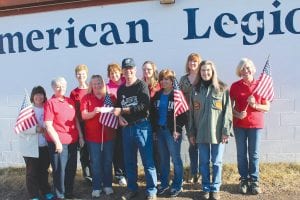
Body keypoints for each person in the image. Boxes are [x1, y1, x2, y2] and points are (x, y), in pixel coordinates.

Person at [113, 58, 157, 200]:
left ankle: (151, 190)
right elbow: (118, 109)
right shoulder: (121, 89)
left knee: (148, 161)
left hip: (142, 126)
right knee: (129, 162)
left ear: (135, 69)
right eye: (126, 69)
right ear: (123, 71)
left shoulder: (141, 85)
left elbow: (144, 106)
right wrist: (119, 117)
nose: (128, 71)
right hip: (127, 129)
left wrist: (124, 110)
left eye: (131, 68)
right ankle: (132, 188)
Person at [188, 60, 233, 200]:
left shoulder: (222, 89)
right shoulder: (194, 90)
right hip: (200, 133)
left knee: (217, 162)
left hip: (217, 133)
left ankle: (215, 188)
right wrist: (191, 133)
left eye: (208, 70)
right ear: (199, 72)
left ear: (212, 71)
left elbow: (228, 112)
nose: (205, 73)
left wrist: (226, 131)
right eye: (203, 70)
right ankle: (206, 188)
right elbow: (191, 114)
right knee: (204, 162)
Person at [230, 58, 270, 195]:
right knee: (241, 154)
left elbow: (267, 107)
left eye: (248, 68)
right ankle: (244, 180)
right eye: (243, 69)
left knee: (254, 154)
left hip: (256, 125)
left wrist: (255, 105)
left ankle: (254, 180)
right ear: (239, 71)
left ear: (252, 69)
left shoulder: (260, 85)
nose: (245, 71)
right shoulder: (235, 86)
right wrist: (236, 113)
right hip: (239, 125)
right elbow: (229, 107)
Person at [44, 77, 84, 199]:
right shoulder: (50, 103)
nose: (61, 88)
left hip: (73, 141)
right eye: (57, 86)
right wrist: (57, 142)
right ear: (53, 88)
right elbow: (48, 125)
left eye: (63, 85)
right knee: (59, 171)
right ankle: (59, 195)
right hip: (59, 144)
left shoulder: (70, 101)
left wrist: (81, 136)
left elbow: (75, 119)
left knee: (70, 169)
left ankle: (69, 193)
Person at [150, 69, 187, 197]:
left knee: (176, 159)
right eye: (162, 79)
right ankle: (165, 184)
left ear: (172, 81)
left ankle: (177, 185)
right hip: (160, 131)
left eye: (167, 79)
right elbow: (153, 115)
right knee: (163, 159)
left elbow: (183, 114)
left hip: (173, 132)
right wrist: (154, 130)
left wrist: (178, 128)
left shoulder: (177, 95)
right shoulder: (157, 95)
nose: (164, 81)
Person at [81, 75, 116, 198]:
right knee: (95, 162)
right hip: (93, 137)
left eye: (99, 83)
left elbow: (117, 112)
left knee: (107, 162)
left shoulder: (110, 97)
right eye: (94, 83)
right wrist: (93, 112)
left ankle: (107, 185)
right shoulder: (86, 98)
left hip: (109, 136)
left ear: (103, 83)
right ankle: (96, 186)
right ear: (91, 85)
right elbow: (84, 115)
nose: (97, 85)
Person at [20, 86, 54, 200]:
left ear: (44, 96)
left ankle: (45, 190)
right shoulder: (27, 110)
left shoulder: (47, 108)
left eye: (41, 94)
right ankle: (34, 195)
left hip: (45, 145)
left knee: (44, 170)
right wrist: (35, 129)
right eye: (36, 94)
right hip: (31, 147)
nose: (39, 96)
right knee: (31, 173)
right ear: (32, 96)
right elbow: (21, 127)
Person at [179, 53, 202, 183]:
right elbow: (179, 96)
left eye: (195, 61)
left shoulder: (204, 77)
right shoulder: (183, 79)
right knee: (193, 144)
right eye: (191, 61)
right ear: (188, 63)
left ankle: (203, 172)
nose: (193, 64)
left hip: (202, 117)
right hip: (188, 117)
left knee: (203, 145)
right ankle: (194, 172)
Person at [70, 64, 92, 182]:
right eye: (78, 74)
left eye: (83, 73)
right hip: (82, 126)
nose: (81, 76)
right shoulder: (74, 93)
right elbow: (74, 114)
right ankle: (87, 175)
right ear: (75, 76)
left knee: (94, 151)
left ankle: (97, 174)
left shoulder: (92, 88)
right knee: (84, 152)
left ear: (86, 74)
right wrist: (80, 134)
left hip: (93, 125)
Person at [106, 63, 127, 187]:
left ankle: (129, 172)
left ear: (120, 72)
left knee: (129, 149)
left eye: (116, 72)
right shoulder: (107, 87)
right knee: (118, 149)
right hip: (116, 123)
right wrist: (119, 116)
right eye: (111, 73)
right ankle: (120, 175)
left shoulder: (127, 83)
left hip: (129, 121)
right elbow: (110, 106)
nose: (114, 75)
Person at [142, 60, 161, 182]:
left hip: (157, 122)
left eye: (149, 69)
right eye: (144, 69)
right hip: (143, 122)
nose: (146, 71)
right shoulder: (140, 84)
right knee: (147, 151)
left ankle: (159, 175)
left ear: (154, 70)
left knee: (157, 151)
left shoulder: (158, 85)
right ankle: (151, 176)